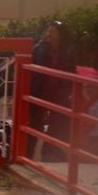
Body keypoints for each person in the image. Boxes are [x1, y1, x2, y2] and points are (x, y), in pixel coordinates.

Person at [28, 20, 71, 161]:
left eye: (53, 31)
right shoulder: (40, 48)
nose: (49, 34)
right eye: (49, 31)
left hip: (58, 90)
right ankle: (28, 152)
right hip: (41, 89)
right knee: (35, 122)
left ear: (61, 35)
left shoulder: (68, 50)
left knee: (56, 123)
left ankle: (48, 153)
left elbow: (72, 70)